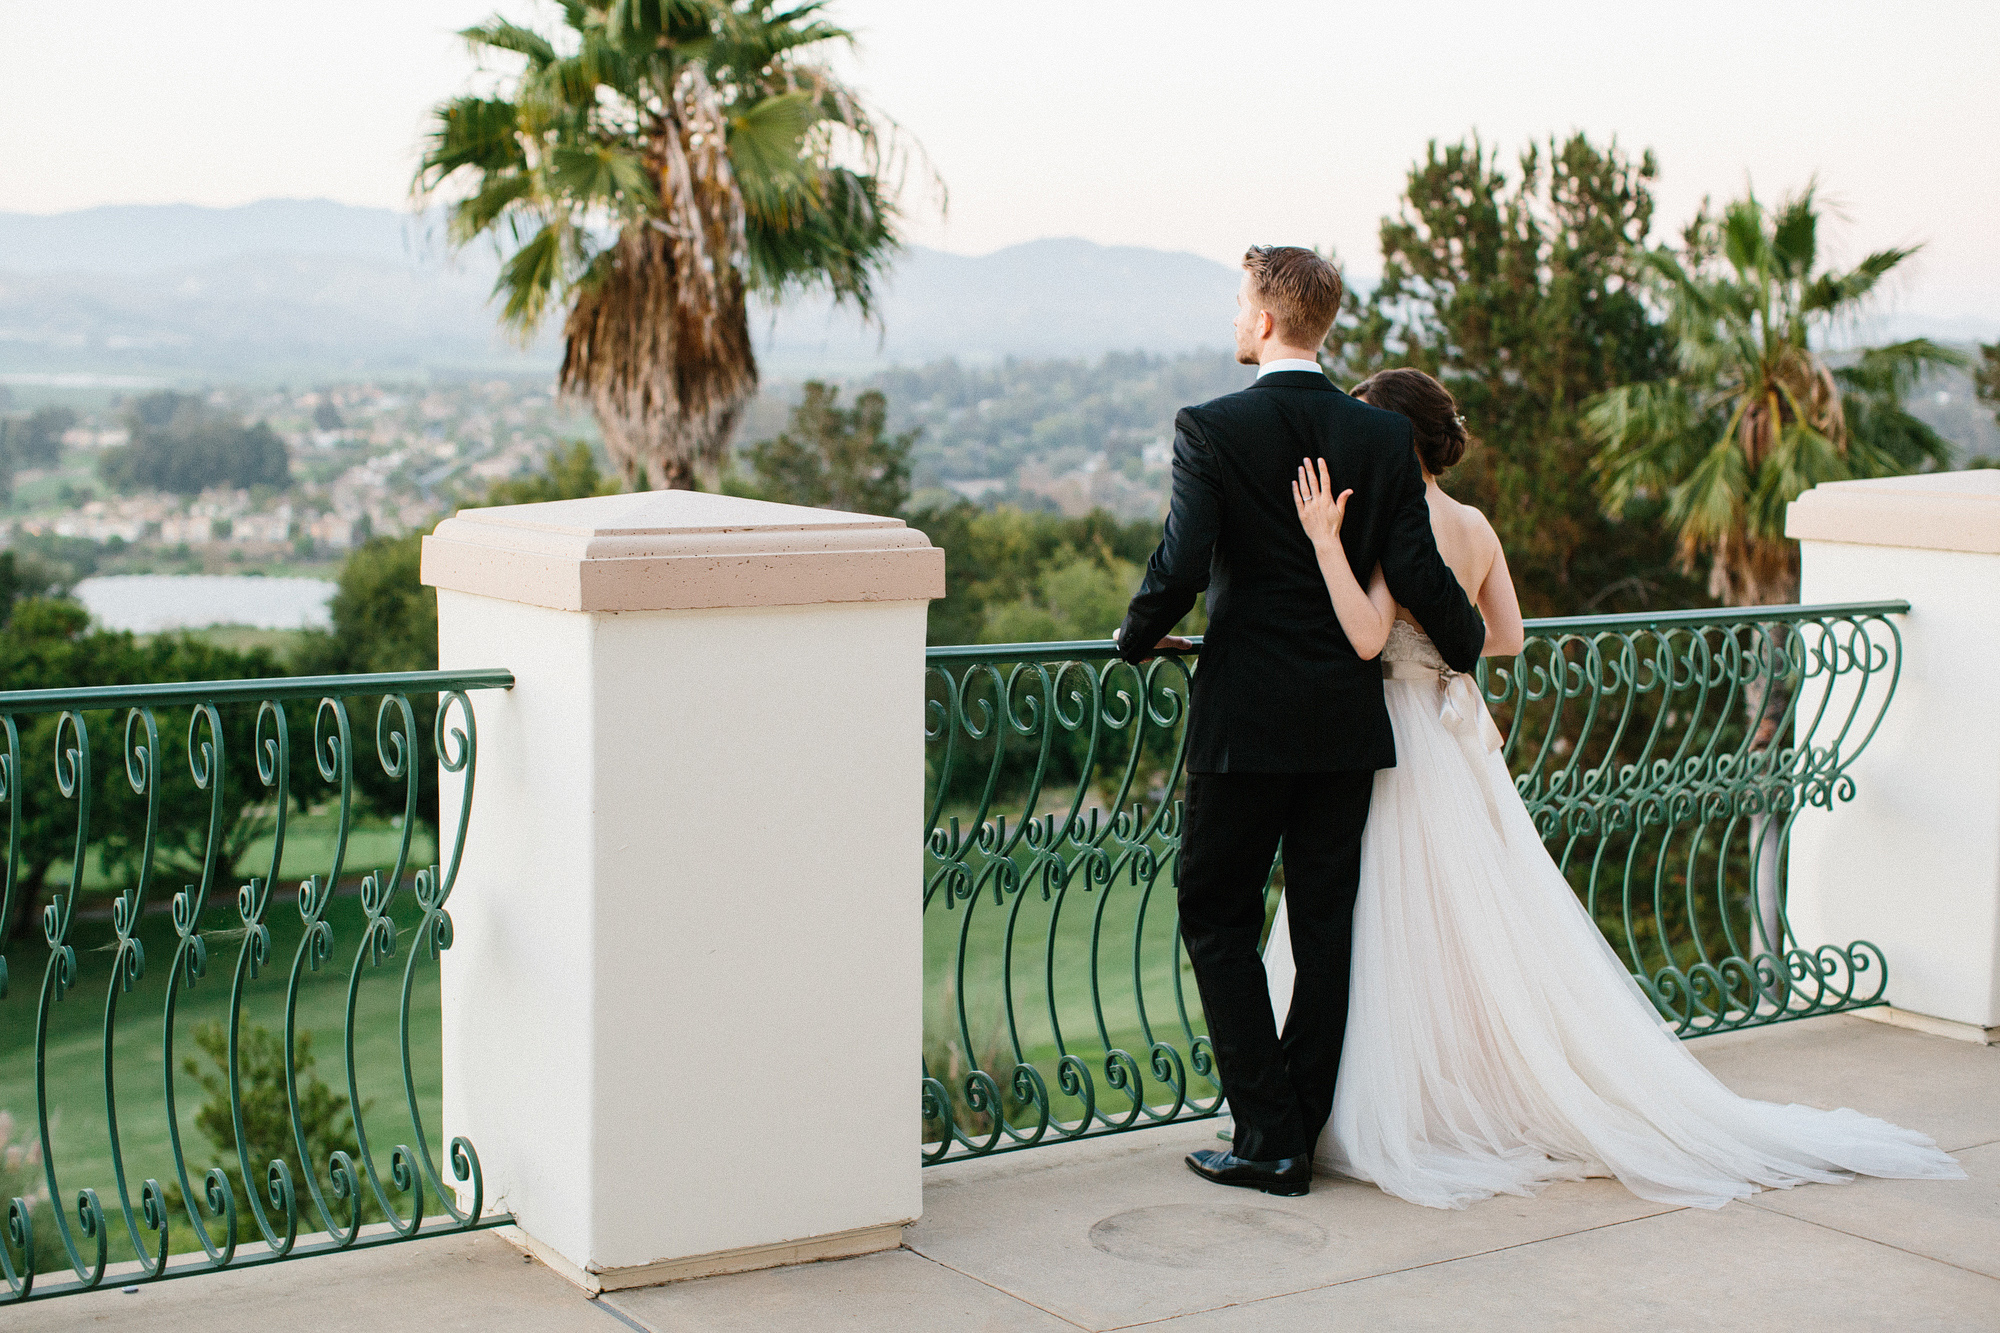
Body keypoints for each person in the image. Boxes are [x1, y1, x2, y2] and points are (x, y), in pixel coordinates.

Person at [1265, 367, 1965, 1209]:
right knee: (1462, 926)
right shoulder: (1476, 524)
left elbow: (1369, 629)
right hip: (1453, 739)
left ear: (1390, 439)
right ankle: (1455, 1094)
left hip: (1393, 739)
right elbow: (1509, 637)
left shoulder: (1389, 522)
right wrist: (1442, 656)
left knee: (1382, 920)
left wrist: (1326, 547)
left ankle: (1392, 1105)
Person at [1114, 247, 1485, 1197]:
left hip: (1244, 720)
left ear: (1268, 320)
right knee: (1325, 929)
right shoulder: (1372, 436)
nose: (1237, 318)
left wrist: (1135, 635)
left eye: (1241, 303)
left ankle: (1269, 1132)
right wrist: (1465, 638)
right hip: (1345, 724)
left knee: (1215, 912)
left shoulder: (1211, 426)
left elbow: (1182, 562)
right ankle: (1295, 1134)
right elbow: (1432, 590)